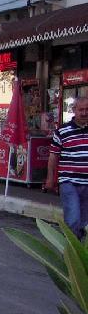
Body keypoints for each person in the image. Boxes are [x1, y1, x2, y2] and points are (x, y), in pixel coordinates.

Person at [45, 96, 88, 239]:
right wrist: (50, 179)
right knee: (73, 219)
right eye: (81, 109)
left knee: (84, 223)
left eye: (87, 110)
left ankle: (79, 256)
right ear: (74, 110)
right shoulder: (62, 131)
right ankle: (70, 255)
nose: (84, 113)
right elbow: (53, 157)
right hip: (69, 182)